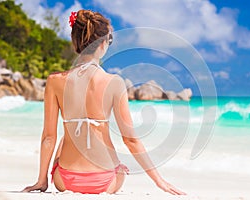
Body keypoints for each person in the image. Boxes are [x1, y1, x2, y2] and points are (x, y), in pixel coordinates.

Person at [22, 10, 185, 195]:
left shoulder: (55, 81)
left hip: (65, 180)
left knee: (61, 140)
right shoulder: (114, 83)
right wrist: (159, 181)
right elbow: (130, 139)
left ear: (75, 42)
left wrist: (42, 181)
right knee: (115, 160)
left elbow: (48, 138)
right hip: (106, 181)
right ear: (102, 45)